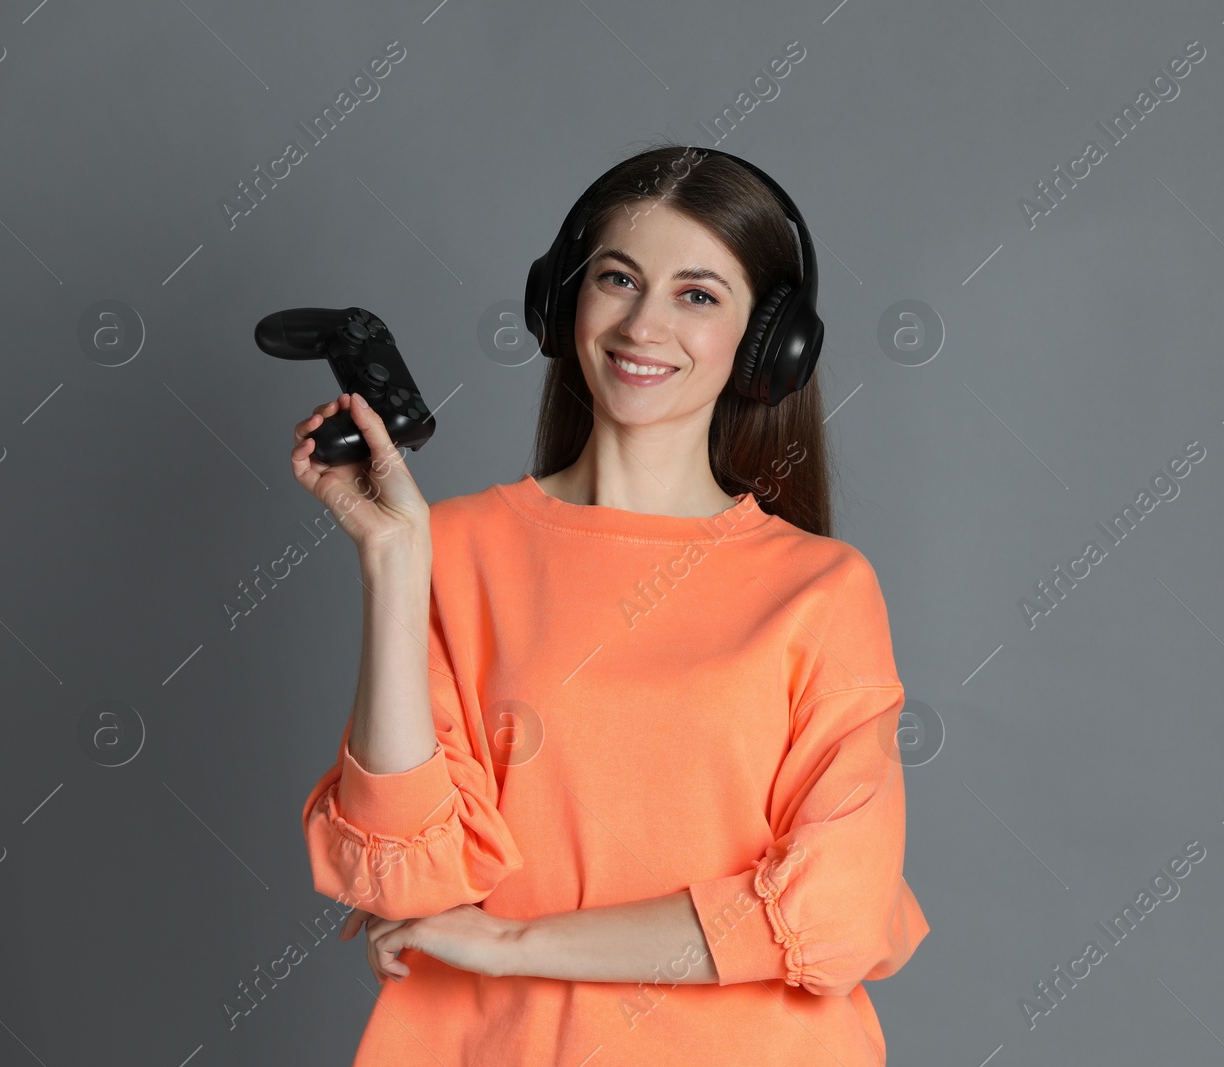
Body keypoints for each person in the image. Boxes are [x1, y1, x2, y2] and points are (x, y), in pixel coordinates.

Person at [295, 143, 930, 1066]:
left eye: (698, 295)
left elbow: (838, 904)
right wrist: (395, 562)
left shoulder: (821, 589)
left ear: (768, 343)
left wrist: (517, 942)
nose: (644, 324)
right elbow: (402, 869)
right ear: (563, 301)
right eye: (619, 279)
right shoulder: (457, 547)